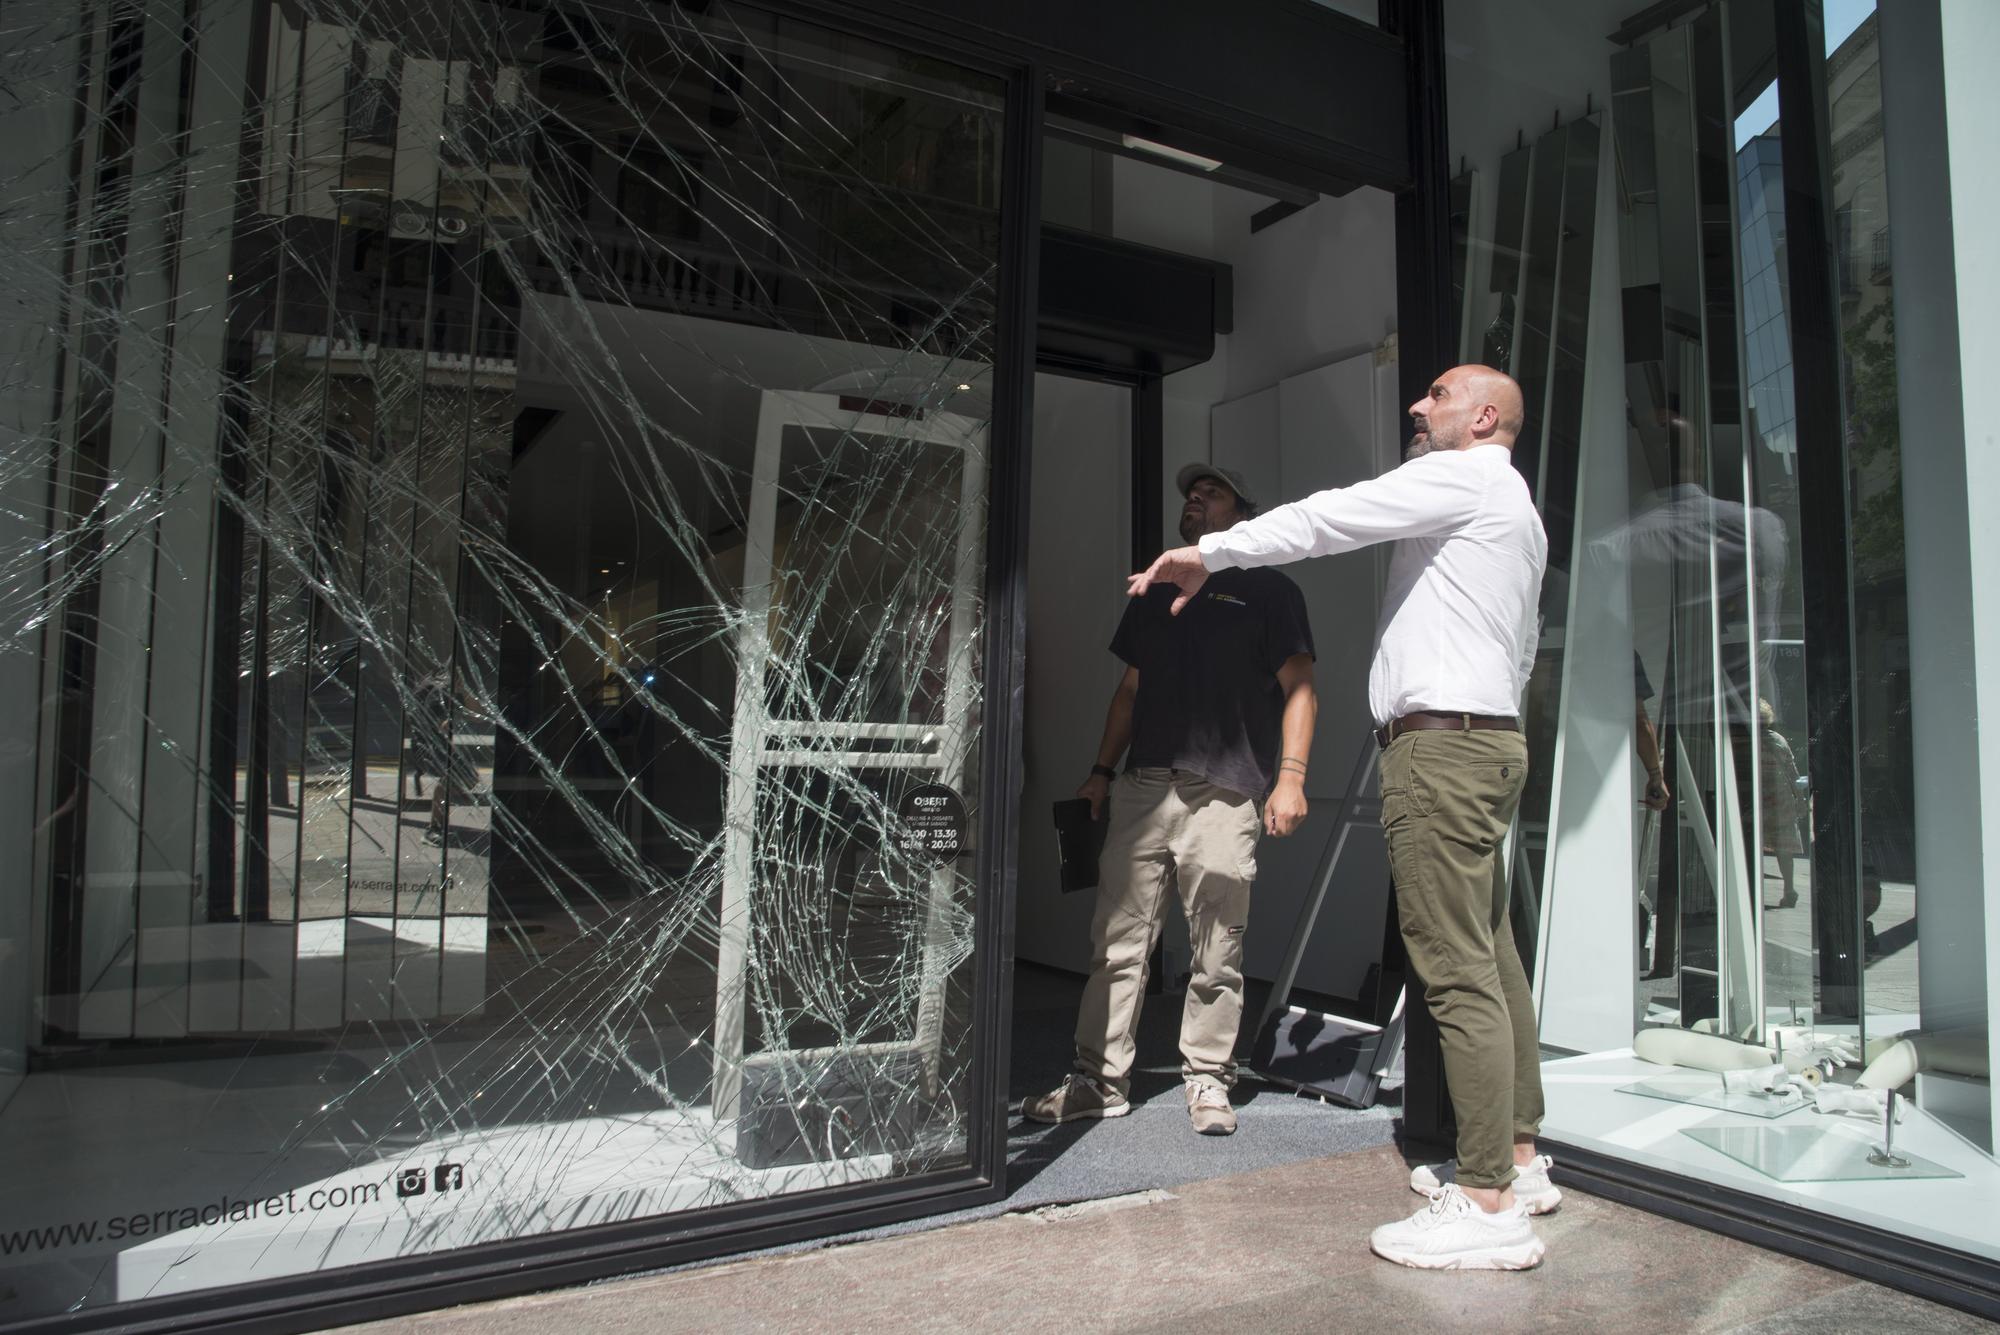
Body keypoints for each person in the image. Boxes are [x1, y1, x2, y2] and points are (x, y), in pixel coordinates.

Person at [1129, 365, 1553, 1270]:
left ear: (1482, 417)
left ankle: (1487, 1201)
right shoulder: (1517, 507)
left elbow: (1335, 514)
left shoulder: (1465, 474)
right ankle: (1519, 1155)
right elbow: (1518, 644)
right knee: (1491, 945)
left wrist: (1218, 548)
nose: (1417, 405)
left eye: (1435, 395)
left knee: (1454, 964)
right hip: (1489, 737)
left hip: (1444, 746)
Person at [1024, 464, 1316, 1138]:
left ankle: (1209, 1078)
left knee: (1218, 947)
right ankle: (1098, 1080)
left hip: (1225, 791)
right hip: (1144, 785)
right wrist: (1100, 770)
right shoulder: (1154, 591)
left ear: (1243, 510)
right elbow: (1130, 690)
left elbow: (1300, 684)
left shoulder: (1270, 588)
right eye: (1191, 491)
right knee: (1116, 944)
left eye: (1211, 491)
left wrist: (1293, 776)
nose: (1195, 497)